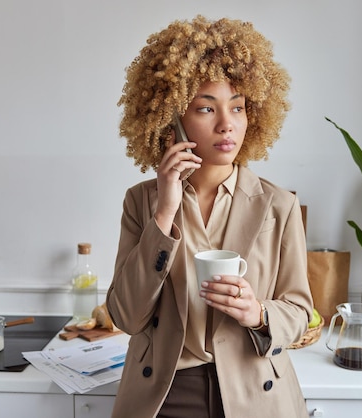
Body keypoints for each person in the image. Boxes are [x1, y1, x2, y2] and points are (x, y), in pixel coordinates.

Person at [106, 15, 313, 418]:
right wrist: (164, 212)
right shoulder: (141, 202)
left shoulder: (279, 205)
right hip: (164, 394)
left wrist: (258, 313)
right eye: (206, 108)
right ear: (173, 119)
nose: (227, 125)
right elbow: (127, 316)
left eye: (237, 107)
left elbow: (301, 313)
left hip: (254, 391)